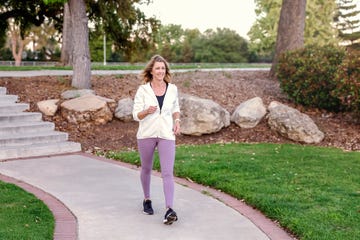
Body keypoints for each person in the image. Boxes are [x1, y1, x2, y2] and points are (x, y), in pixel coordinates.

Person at [132, 55, 181, 225]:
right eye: (157, 68)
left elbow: (175, 108)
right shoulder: (143, 90)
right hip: (146, 134)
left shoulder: (172, 89)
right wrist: (147, 111)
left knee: (167, 172)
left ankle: (169, 209)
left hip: (167, 134)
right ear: (151, 71)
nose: (160, 71)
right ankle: (147, 199)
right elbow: (136, 115)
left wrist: (177, 121)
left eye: (163, 68)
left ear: (165, 71)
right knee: (146, 168)